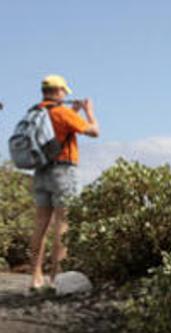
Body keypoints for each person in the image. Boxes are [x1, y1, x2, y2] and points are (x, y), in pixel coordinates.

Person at [29, 75, 99, 291]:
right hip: (62, 170)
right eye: (64, 92)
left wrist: (74, 113)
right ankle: (55, 279)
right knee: (62, 224)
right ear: (58, 91)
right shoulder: (62, 112)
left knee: (40, 224)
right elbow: (94, 131)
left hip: (40, 170)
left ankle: (35, 277)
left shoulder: (36, 113)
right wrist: (89, 112)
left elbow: (56, 133)